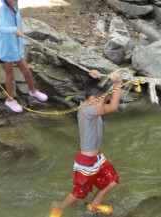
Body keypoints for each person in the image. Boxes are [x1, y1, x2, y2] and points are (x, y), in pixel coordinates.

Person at [49, 69, 122, 217]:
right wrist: (118, 84)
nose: (105, 101)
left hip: (98, 158)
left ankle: (93, 205)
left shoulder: (92, 104)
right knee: (79, 193)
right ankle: (59, 206)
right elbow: (113, 107)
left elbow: (102, 92)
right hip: (86, 162)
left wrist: (103, 77)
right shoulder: (87, 110)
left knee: (112, 181)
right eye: (103, 99)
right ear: (92, 98)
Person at [0, 0, 48, 112]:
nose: (12, 1)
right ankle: (10, 100)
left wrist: (24, 42)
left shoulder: (16, 8)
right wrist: (13, 30)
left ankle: (33, 90)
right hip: (6, 48)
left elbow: (20, 26)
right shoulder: (2, 10)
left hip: (17, 47)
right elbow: (1, 27)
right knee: (10, 74)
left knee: (26, 70)